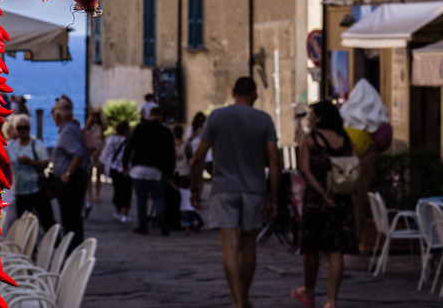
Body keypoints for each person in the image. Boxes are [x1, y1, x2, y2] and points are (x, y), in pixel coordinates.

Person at [189, 77, 280, 308]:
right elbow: (274, 161)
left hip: (224, 189)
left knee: (229, 248)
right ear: (255, 94)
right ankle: (244, 296)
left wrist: (195, 187)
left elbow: (198, 156)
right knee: (248, 246)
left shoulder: (217, 117)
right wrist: (275, 197)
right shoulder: (264, 120)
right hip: (255, 190)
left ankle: (238, 302)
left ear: (233, 92)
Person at [291, 101, 358, 308]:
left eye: (312, 114)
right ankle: (332, 301)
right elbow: (356, 167)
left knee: (311, 247)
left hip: (316, 201)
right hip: (341, 200)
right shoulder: (346, 140)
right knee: (335, 249)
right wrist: (343, 191)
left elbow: (304, 170)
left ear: (320, 117)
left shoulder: (311, 140)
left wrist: (322, 193)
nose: (309, 117)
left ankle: (309, 291)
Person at [123, 107, 175, 236]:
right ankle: (162, 221)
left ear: (149, 115)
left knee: (141, 199)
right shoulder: (166, 131)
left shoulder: (140, 128)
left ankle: (142, 225)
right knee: (159, 198)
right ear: (161, 116)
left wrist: (125, 165)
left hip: (139, 168)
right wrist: (169, 173)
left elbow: (129, 147)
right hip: (157, 170)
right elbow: (170, 154)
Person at [51, 95, 89, 249]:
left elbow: (78, 153)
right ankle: (75, 249)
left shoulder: (67, 131)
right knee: (73, 218)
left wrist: (67, 173)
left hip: (71, 182)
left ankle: (72, 250)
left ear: (58, 115)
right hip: (77, 179)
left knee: (70, 218)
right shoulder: (72, 129)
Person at [7, 114, 56, 230]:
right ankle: (30, 248)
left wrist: (30, 162)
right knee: (23, 225)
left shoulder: (36, 143)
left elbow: (46, 163)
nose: (22, 130)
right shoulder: (11, 146)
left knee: (47, 220)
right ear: (14, 129)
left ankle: (55, 243)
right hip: (20, 191)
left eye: (25, 127)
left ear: (29, 128)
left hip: (37, 189)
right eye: (19, 128)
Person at [101, 121, 132, 223]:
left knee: (117, 189)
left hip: (114, 167)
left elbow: (106, 153)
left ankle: (118, 211)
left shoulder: (112, 140)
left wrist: (104, 164)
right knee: (126, 191)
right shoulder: (130, 140)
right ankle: (125, 213)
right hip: (127, 168)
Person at [84, 107, 106, 216]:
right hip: (91, 151)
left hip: (99, 150)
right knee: (90, 174)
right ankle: (91, 194)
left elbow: (105, 130)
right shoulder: (89, 127)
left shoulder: (101, 127)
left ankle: (97, 194)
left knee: (99, 173)